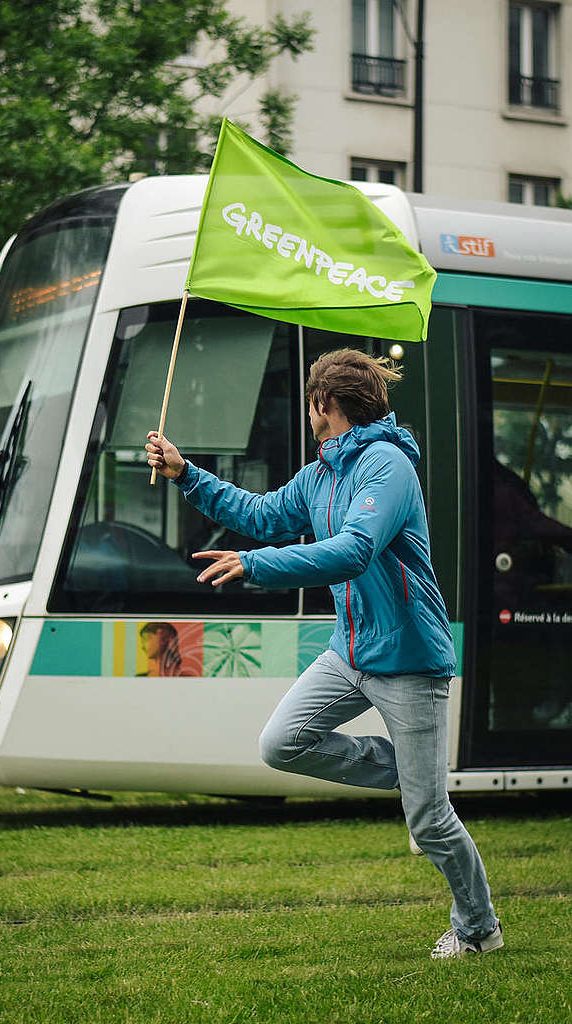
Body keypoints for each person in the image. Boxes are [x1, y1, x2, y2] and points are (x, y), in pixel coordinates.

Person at [146, 347, 503, 960]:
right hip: (349, 653)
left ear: (324, 404)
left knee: (428, 823)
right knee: (279, 743)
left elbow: (355, 549)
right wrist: (185, 473)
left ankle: (478, 926)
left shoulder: (387, 467)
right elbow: (260, 514)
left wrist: (253, 565)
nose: (309, 413)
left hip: (410, 661)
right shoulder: (321, 475)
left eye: (311, 403)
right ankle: (411, 773)